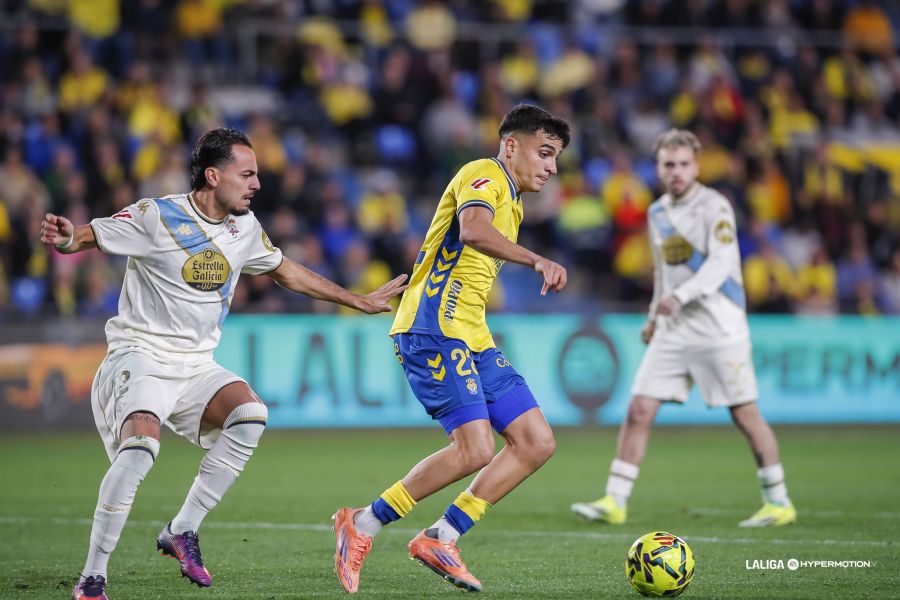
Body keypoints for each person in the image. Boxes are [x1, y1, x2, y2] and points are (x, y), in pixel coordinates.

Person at [42, 128, 408, 600]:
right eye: (247, 173)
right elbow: (92, 234)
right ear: (214, 175)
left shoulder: (245, 228)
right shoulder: (159, 216)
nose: (256, 183)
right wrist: (72, 238)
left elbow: (286, 270)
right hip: (141, 354)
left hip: (195, 365)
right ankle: (93, 578)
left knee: (250, 415)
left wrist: (354, 299)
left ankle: (182, 529)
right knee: (141, 450)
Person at [332, 104, 570, 594]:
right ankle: (362, 522)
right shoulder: (485, 173)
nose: (550, 166)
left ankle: (442, 536)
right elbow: (474, 232)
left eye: (556, 157)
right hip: (432, 328)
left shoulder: (515, 200)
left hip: (471, 334)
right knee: (475, 448)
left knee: (536, 441)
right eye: (544, 152)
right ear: (510, 146)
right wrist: (536, 259)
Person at [571, 129, 797, 529]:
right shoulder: (657, 212)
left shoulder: (716, 206)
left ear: (695, 166)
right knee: (639, 408)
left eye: (683, 164)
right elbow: (664, 273)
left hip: (718, 325)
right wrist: (654, 316)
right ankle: (615, 500)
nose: (675, 172)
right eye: (668, 165)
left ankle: (778, 501)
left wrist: (681, 297)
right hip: (674, 327)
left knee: (745, 414)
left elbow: (722, 263)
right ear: (658, 169)